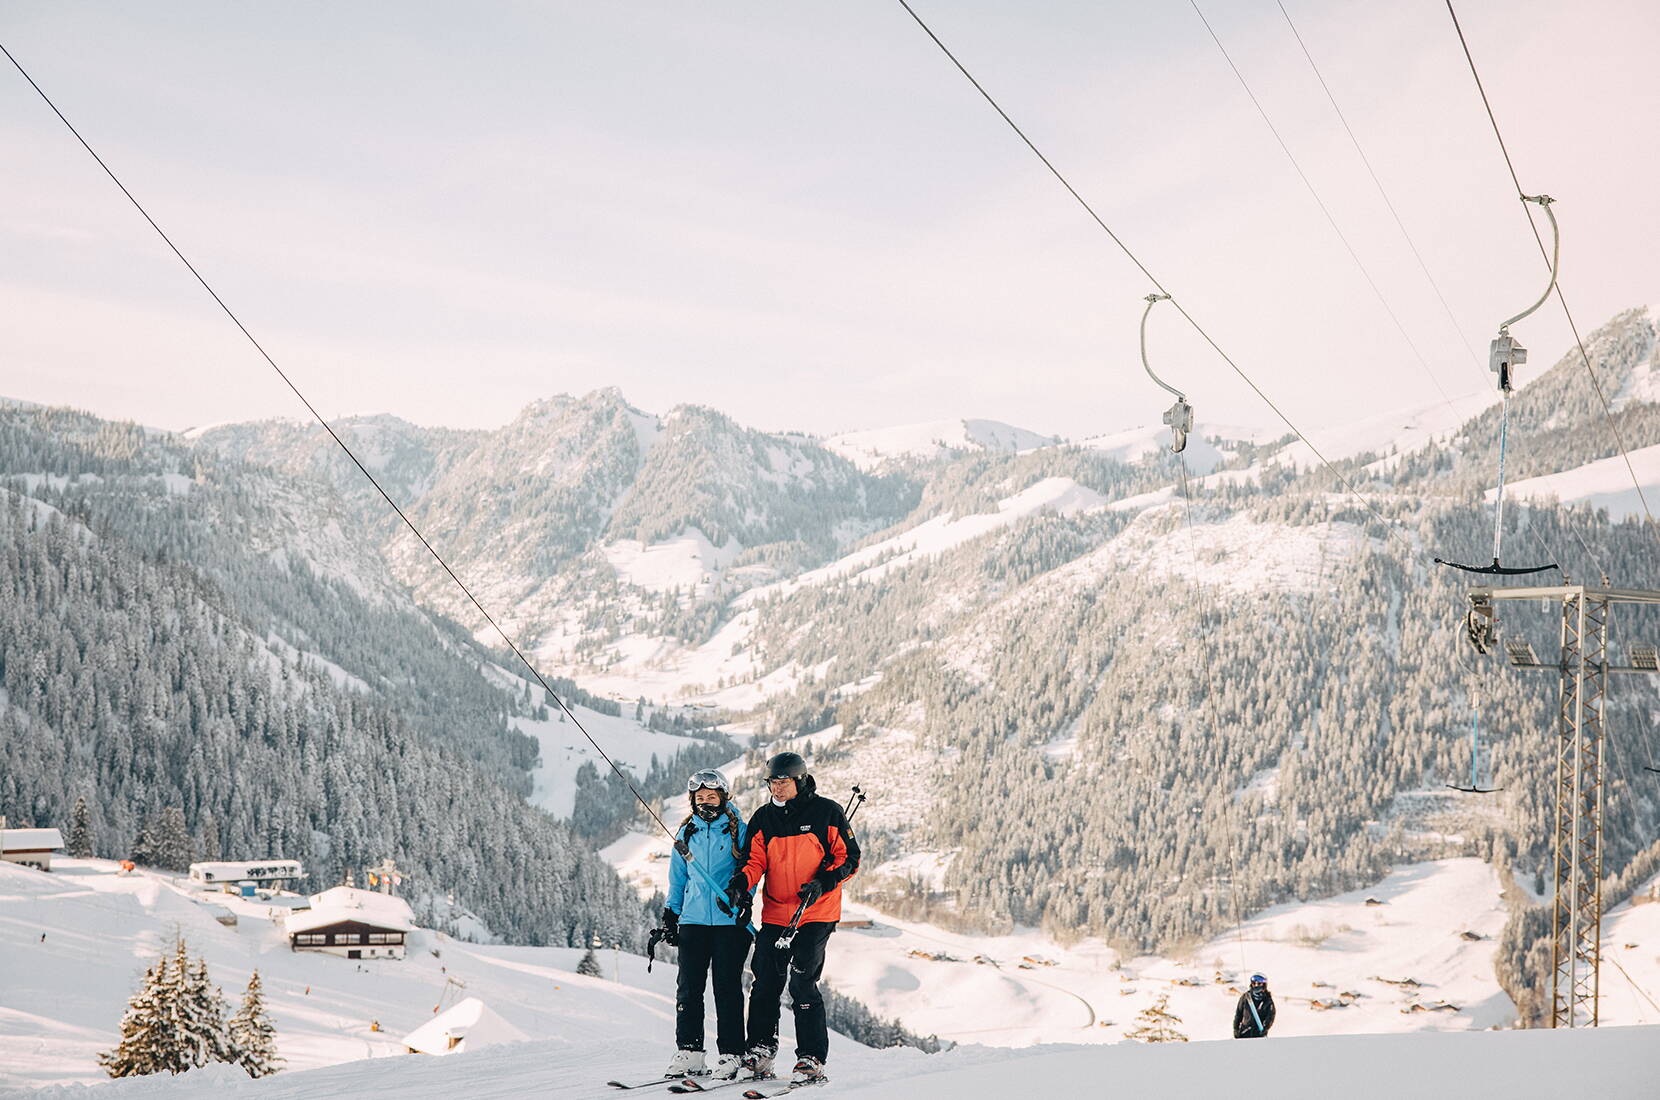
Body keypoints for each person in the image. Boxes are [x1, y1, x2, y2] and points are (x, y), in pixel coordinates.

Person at [726, 752, 860, 1086]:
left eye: (783, 782)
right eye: (772, 782)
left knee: (802, 981)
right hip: (776, 912)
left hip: (816, 911)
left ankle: (810, 1058)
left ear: (799, 780)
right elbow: (754, 860)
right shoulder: (763, 818)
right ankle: (760, 1049)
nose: (777, 788)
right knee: (766, 981)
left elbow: (850, 858)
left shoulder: (827, 811)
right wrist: (742, 883)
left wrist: (825, 881)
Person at [661, 769, 753, 1081]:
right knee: (688, 989)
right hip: (693, 921)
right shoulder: (687, 833)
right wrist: (671, 916)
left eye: (711, 797)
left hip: (729, 921)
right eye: (699, 798)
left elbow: (751, 869)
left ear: (723, 798)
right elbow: (678, 879)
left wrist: (744, 900)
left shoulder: (739, 830)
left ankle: (731, 1054)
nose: (705, 803)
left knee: (726, 989)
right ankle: (689, 1053)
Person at [1233, 973, 1275, 1038]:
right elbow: (1238, 1014)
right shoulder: (1245, 997)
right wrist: (1236, 1029)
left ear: (1264, 985)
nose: (1256, 985)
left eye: (1259, 984)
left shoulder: (1267, 1001)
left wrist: (1265, 1028)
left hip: (1258, 1034)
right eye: (1254, 983)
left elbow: (1270, 1017)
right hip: (1244, 1033)